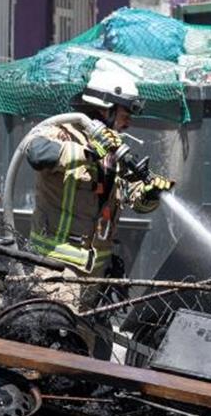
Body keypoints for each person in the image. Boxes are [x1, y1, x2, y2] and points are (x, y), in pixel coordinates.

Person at [25, 72, 174, 323]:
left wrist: (150, 194)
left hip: (96, 277)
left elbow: (133, 198)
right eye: (126, 113)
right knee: (57, 345)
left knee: (85, 353)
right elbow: (36, 154)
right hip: (56, 271)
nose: (129, 123)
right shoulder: (61, 132)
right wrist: (89, 151)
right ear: (106, 109)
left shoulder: (114, 149)